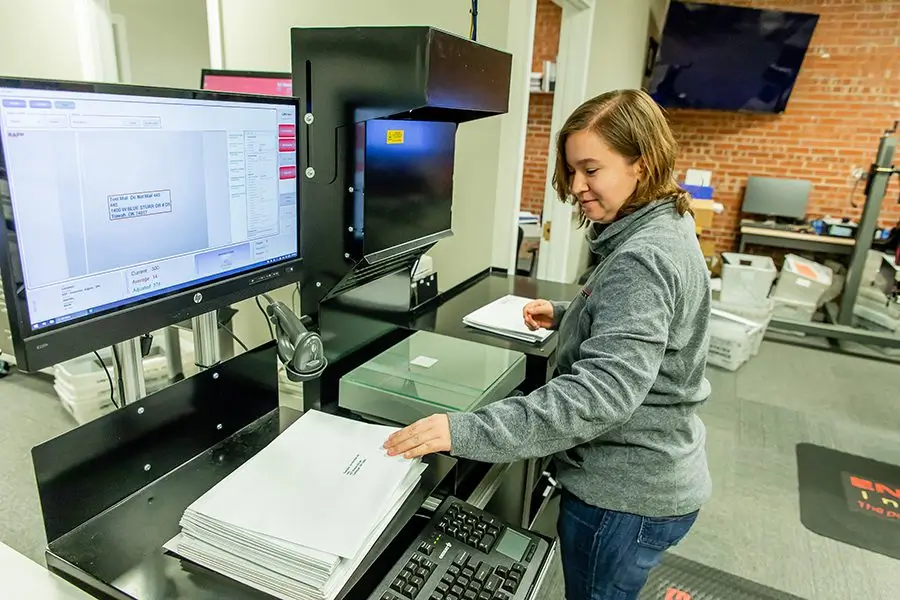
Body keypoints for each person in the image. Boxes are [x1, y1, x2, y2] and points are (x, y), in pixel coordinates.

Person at [384, 89, 711, 600]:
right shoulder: (668, 222)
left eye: (591, 169)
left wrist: (465, 430)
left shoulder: (641, 258)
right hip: (662, 470)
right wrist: (570, 313)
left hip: (624, 495)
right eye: (572, 171)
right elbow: (659, 326)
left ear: (640, 165)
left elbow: (599, 397)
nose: (577, 186)